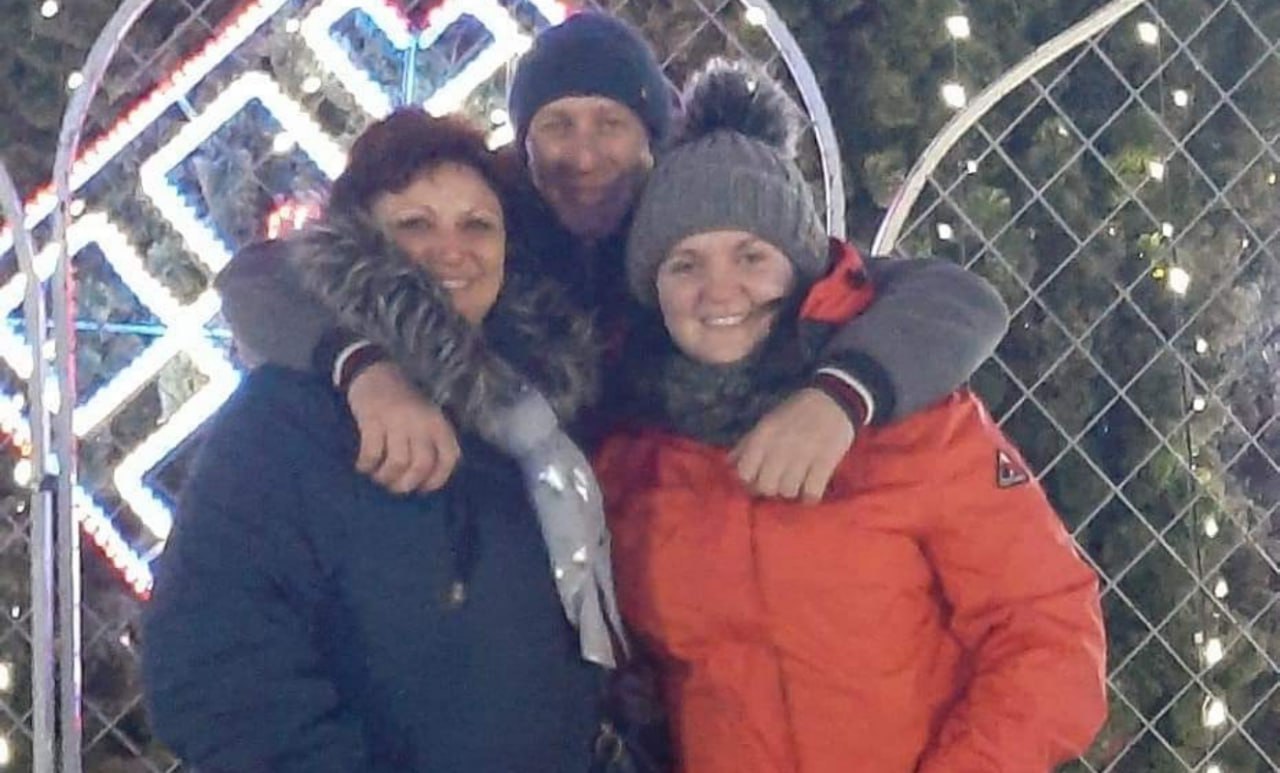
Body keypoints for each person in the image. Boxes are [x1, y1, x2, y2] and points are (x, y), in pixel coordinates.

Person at [214, 11, 1011, 500]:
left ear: (652, 137)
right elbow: (262, 278)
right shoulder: (487, 227)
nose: (584, 153)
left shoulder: (700, 224)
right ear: (524, 140)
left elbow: (952, 299)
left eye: (611, 124)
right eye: (557, 125)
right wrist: (365, 369)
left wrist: (839, 396)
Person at [593, 60, 1108, 772]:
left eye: (751, 256)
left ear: (799, 264)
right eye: (685, 264)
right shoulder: (632, 461)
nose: (720, 290)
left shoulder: (919, 426)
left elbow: (1048, 632)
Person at [143, 110, 626, 773]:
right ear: (362, 242)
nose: (452, 249)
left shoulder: (533, 420)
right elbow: (213, 670)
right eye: (415, 224)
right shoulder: (288, 420)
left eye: (477, 225)